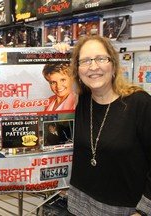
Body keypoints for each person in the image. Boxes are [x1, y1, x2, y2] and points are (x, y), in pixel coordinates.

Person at [67, 35, 151, 215]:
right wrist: (55, 52)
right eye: (86, 61)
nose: (93, 66)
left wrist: (144, 211)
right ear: (78, 70)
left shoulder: (139, 103)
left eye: (100, 59)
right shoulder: (82, 100)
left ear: (113, 64)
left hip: (124, 209)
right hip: (79, 205)